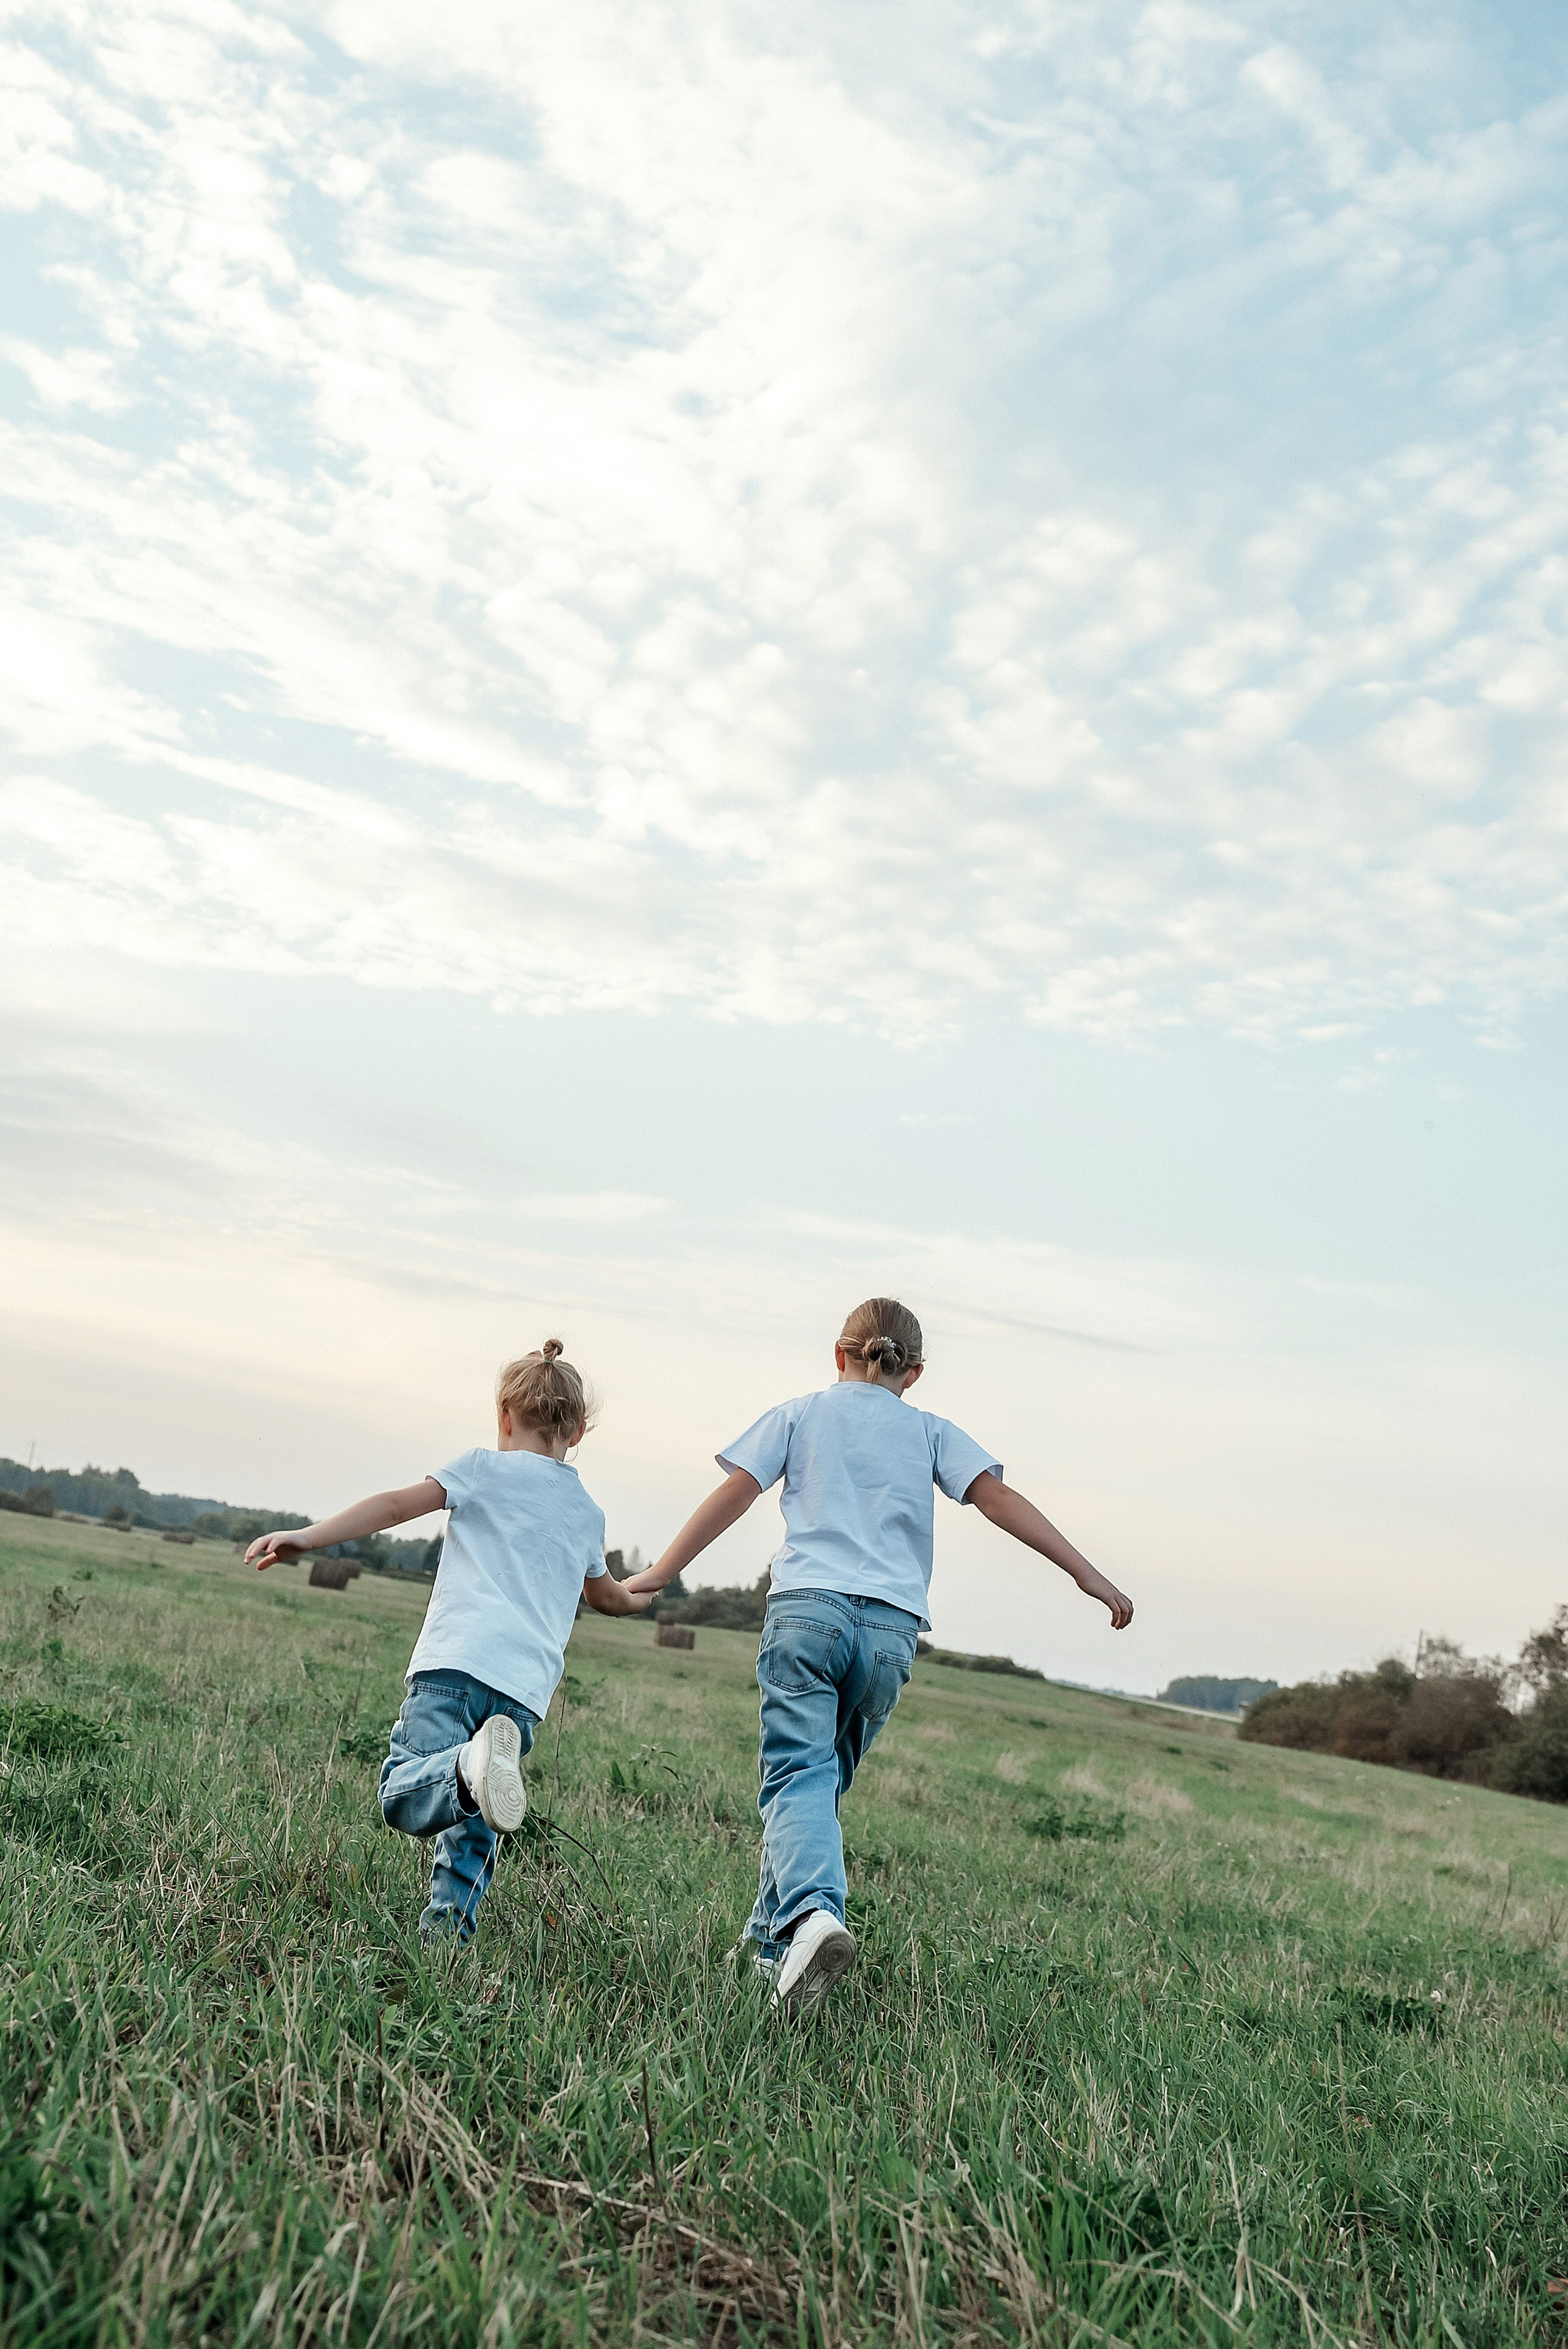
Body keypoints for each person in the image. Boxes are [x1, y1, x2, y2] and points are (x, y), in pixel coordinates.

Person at [624, 1297, 1133, 2019]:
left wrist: (658, 1573)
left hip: (809, 1615)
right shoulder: (930, 1431)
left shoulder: (801, 1413)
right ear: (913, 1372)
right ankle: (767, 1950)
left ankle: (812, 1914)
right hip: (890, 1634)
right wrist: (1087, 1574)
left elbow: (734, 1495)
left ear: (838, 1354)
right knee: (816, 1789)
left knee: (797, 1778)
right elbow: (999, 1501)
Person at [245, 1340, 650, 1942]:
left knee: (403, 1796)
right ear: (578, 1431)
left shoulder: (482, 1468)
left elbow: (392, 1507)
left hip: (456, 1665)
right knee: (478, 1822)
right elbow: (607, 1596)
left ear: (504, 1417)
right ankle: (446, 1941)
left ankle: (466, 1766)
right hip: (522, 1693)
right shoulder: (587, 1512)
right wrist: (644, 1593)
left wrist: (308, 1536)